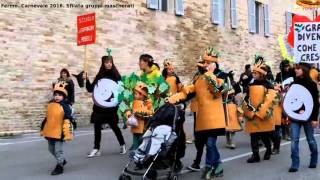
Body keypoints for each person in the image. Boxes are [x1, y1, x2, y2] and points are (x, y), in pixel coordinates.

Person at [168, 47, 226, 179]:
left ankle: (208, 167)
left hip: (215, 119)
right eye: (202, 64)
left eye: (207, 64)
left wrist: (210, 73)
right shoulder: (199, 80)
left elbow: (217, 91)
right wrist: (171, 99)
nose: (203, 67)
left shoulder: (219, 78)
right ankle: (218, 165)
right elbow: (186, 92)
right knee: (209, 144)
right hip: (204, 119)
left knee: (210, 144)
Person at [84, 55, 126, 157]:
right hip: (99, 108)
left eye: (110, 62)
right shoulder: (99, 76)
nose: (109, 64)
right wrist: (87, 80)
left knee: (114, 127)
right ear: (103, 63)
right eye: (106, 62)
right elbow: (90, 89)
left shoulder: (116, 76)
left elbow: (121, 91)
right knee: (97, 127)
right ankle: (96, 148)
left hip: (111, 108)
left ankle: (122, 145)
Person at [242, 60, 277, 163]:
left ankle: (268, 149)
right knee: (253, 136)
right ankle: (255, 155)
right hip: (253, 114)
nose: (253, 74)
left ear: (261, 74)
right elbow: (247, 98)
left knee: (265, 135)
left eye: (255, 73)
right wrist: (248, 110)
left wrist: (262, 111)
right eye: (253, 73)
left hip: (263, 114)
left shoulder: (268, 85)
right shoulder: (251, 85)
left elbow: (271, 99)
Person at [287, 63, 319, 172]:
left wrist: (315, 118)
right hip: (295, 117)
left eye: (298, 69)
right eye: (296, 69)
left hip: (308, 117)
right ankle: (295, 164)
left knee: (310, 140)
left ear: (304, 70)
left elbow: (315, 103)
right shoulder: (294, 83)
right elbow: (290, 100)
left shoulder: (312, 84)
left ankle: (314, 159)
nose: (296, 70)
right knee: (294, 140)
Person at [40, 82, 74, 175]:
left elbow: (68, 119)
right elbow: (47, 118)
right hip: (51, 131)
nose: (57, 97)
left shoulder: (65, 105)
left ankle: (60, 166)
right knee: (51, 149)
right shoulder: (51, 104)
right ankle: (62, 160)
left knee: (58, 150)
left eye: (59, 95)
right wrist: (43, 128)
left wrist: (66, 132)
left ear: (63, 96)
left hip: (60, 132)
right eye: (55, 94)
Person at [125, 82, 154, 150]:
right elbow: (129, 109)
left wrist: (141, 112)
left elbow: (151, 112)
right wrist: (128, 113)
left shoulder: (147, 103)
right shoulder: (135, 102)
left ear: (142, 95)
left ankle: (141, 151)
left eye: (136, 94)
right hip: (135, 125)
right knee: (135, 139)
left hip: (143, 126)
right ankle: (135, 151)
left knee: (142, 140)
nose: (134, 95)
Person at [275, 60, 295, 141]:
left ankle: (289, 132)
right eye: (285, 66)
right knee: (283, 115)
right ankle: (284, 133)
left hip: (292, 95)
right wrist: (279, 86)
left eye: (288, 66)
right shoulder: (279, 75)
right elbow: (276, 84)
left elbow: (296, 81)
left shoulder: (292, 73)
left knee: (290, 114)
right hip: (283, 95)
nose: (287, 68)